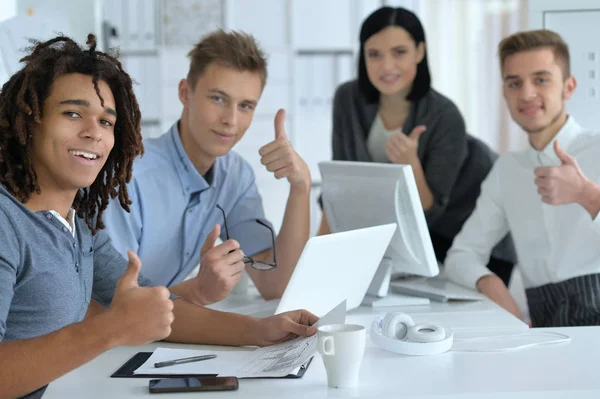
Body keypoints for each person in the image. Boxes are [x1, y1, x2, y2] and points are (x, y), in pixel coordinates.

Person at [0, 34, 317, 399]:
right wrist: (111, 329)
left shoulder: (81, 225)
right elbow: (120, 320)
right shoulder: (8, 222)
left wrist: (259, 331)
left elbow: (155, 309)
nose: (93, 133)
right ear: (30, 120)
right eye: (72, 113)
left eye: (106, 121)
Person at [102, 29, 311, 305]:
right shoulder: (128, 176)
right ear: (185, 93)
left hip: (162, 330)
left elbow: (275, 283)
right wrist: (200, 290)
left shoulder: (235, 176)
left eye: (246, 106)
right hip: (110, 339)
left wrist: (301, 187)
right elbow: (114, 303)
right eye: (218, 98)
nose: (231, 120)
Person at [317, 6, 516, 284]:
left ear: (420, 52)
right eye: (374, 54)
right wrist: (319, 260)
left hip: (466, 232)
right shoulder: (348, 99)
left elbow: (429, 208)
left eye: (399, 52)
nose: (386, 66)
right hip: (407, 234)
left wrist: (411, 164)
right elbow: (340, 188)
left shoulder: (445, 115)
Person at [445, 29, 600, 327]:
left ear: (568, 87)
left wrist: (587, 195)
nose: (526, 94)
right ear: (505, 93)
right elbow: (461, 255)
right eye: (514, 83)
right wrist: (489, 282)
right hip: (543, 332)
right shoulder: (507, 170)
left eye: (541, 79)